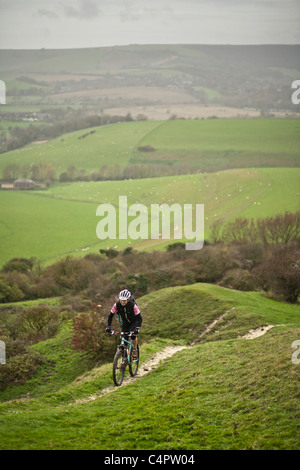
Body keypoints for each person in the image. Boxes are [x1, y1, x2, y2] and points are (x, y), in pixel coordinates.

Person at [106, 289, 142, 358]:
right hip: (125, 323)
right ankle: (124, 362)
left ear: (128, 299)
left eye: (124, 300)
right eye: (121, 300)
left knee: (132, 335)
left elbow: (139, 318)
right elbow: (110, 316)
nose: (122, 302)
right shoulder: (116, 305)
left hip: (134, 322)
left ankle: (135, 349)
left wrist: (137, 328)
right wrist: (108, 326)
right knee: (124, 343)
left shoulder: (133, 305)